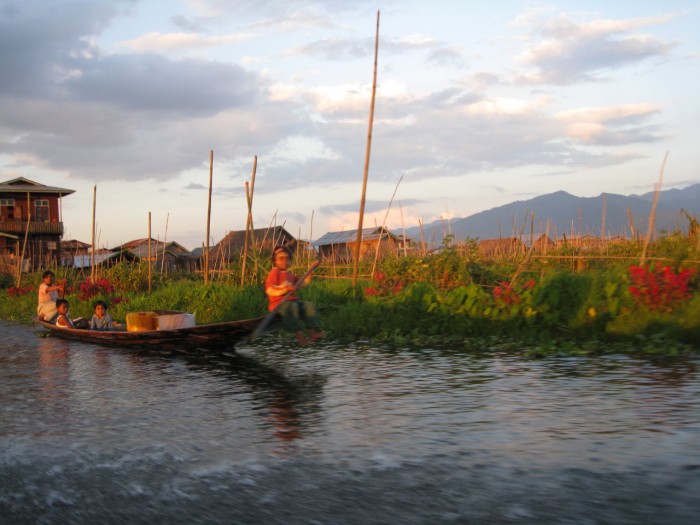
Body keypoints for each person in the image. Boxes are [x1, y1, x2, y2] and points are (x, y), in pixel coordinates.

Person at [265, 245, 324, 346]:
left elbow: (302, 283)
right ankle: (299, 335)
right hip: (279, 305)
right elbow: (270, 290)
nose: (284, 261)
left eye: (286, 259)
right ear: (275, 261)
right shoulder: (274, 273)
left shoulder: (289, 274)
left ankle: (312, 332)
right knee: (292, 307)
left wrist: (310, 273)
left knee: (308, 305)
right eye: (281, 259)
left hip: (293, 302)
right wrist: (285, 288)